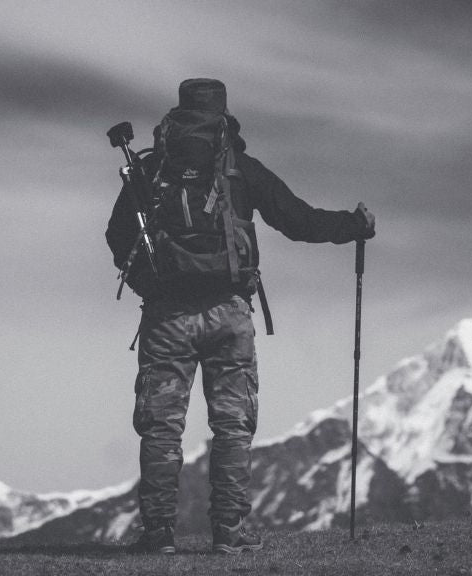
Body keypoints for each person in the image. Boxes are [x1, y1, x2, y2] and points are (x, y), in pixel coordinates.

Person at [105, 78, 375, 555]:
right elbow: (299, 221)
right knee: (231, 427)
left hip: (167, 316)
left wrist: (155, 287)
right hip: (230, 314)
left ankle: (158, 536)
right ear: (225, 114)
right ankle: (229, 535)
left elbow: (116, 235)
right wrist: (353, 225)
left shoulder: (151, 170)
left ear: (178, 112)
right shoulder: (240, 171)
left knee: (162, 427)